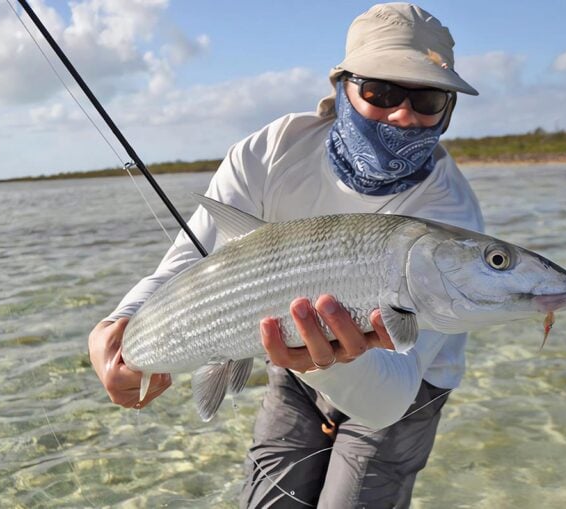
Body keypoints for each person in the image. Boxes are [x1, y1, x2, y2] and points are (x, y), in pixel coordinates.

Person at [88, 3, 484, 508]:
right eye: (380, 92)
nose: (403, 114)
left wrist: (332, 364)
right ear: (342, 87)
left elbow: (389, 398)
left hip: (407, 385)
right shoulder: (272, 150)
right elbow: (192, 260)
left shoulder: (451, 217)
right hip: (290, 359)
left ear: (447, 109)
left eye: (428, 97)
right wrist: (119, 328)